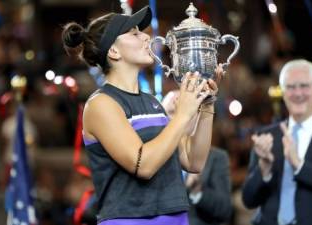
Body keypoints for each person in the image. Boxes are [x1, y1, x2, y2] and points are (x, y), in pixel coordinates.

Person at [61, 5, 223, 225]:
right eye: (134, 33)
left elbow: (193, 161)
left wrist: (206, 106)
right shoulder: (100, 104)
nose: (146, 38)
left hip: (176, 218)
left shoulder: (152, 102)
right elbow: (143, 165)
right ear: (113, 51)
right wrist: (182, 115)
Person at [242, 59, 312, 225]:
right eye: (290, 87)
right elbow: (249, 200)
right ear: (282, 92)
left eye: (304, 86)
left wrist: (300, 165)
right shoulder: (266, 136)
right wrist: (264, 168)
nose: (297, 93)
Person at [162, 90, 232, 225]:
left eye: (185, 111)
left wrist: (197, 190)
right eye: (171, 112)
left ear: (198, 115)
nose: (178, 119)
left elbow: (225, 211)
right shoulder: (153, 155)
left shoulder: (217, 157)